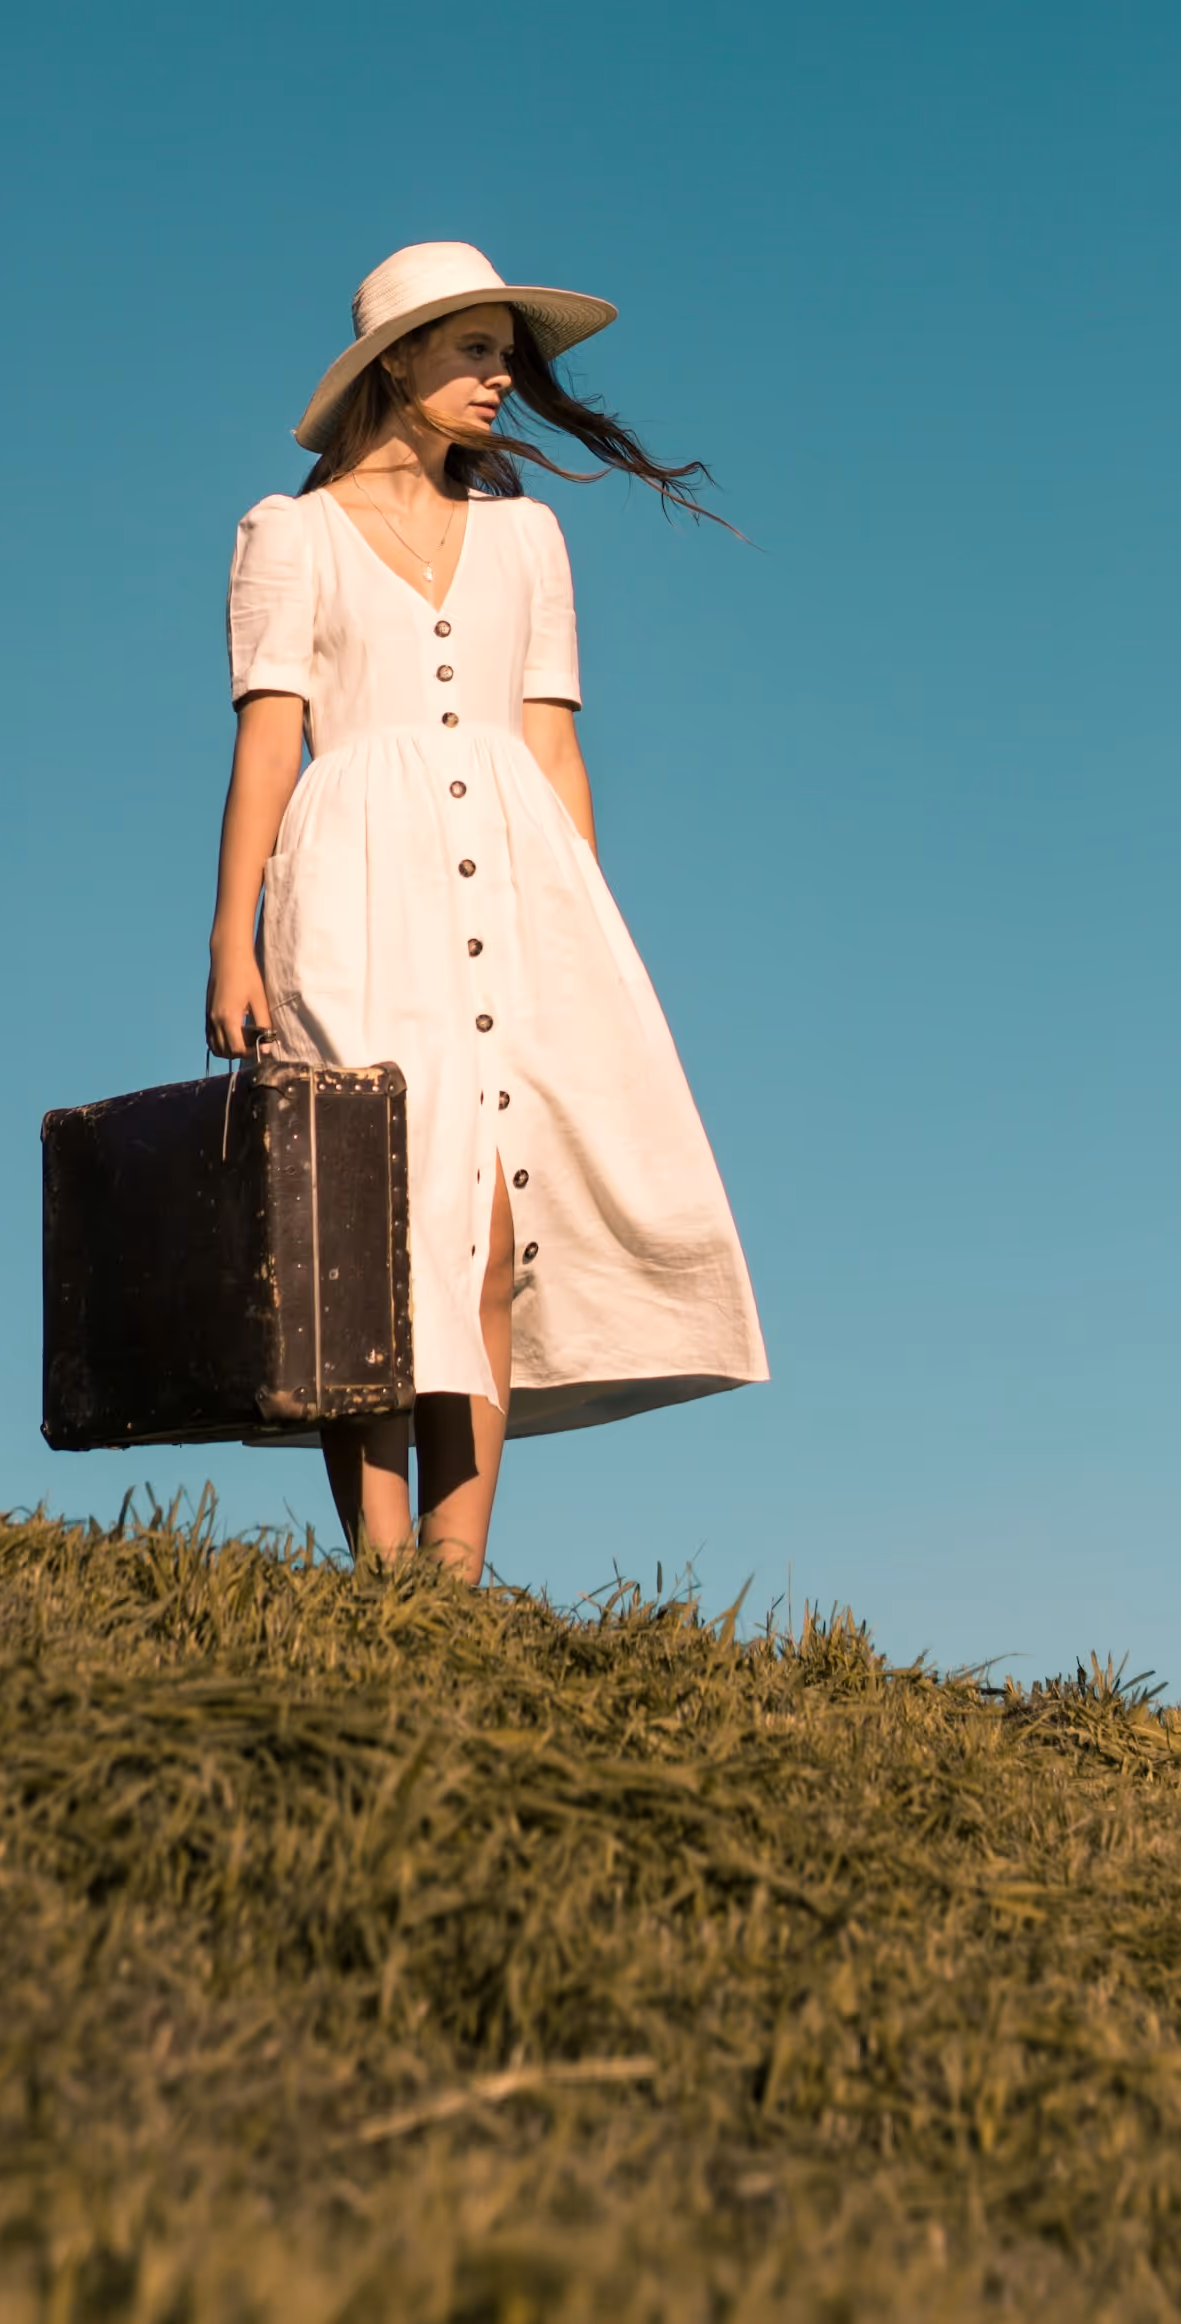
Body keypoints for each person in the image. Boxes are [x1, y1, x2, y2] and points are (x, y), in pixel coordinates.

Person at [205, 240, 768, 1582]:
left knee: (501, 1221)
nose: (501, 377)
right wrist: (233, 939)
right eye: (473, 349)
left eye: (505, 352)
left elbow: (556, 745)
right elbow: (269, 747)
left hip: (522, 892)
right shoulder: (290, 535)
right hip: (350, 889)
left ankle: (455, 1575)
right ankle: (382, 1566)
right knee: (369, 1215)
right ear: (395, 362)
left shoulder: (530, 536)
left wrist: (585, 928)